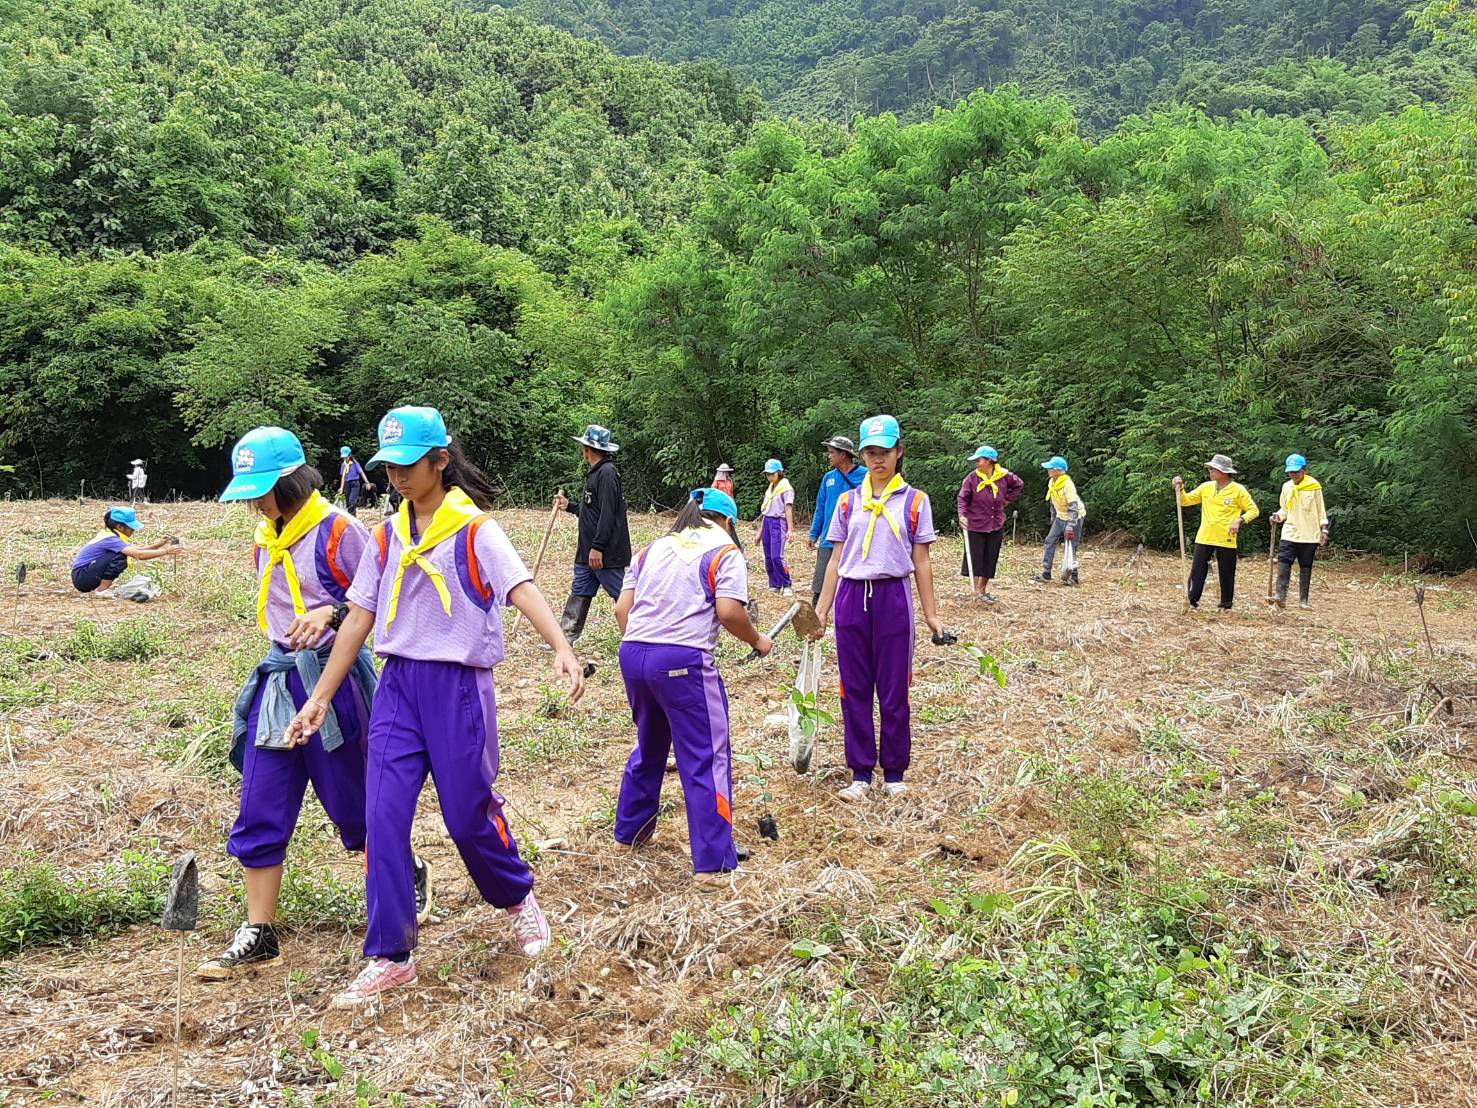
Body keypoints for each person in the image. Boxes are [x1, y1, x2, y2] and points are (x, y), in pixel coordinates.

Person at [285, 406, 586, 1007]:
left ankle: (517, 899)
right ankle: (390, 954)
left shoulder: (475, 531)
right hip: (398, 687)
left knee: (467, 814)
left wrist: (562, 647)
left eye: (408, 465)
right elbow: (359, 618)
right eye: (388, 466)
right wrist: (320, 698)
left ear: (440, 461)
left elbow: (520, 588)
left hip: (457, 688)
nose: (396, 476)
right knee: (382, 817)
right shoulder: (385, 535)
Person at [197, 427, 431, 979]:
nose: (255, 502)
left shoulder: (339, 531)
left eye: (263, 490)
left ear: (291, 482)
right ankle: (259, 931)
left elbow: (383, 597)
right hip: (280, 680)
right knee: (261, 798)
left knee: (355, 802)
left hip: (335, 678)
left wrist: (332, 611)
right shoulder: (265, 536)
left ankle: (405, 872)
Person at [612, 488, 772, 886]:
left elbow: (621, 609)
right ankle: (713, 863)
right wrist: (757, 640)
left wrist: (646, 650)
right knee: (706, 755)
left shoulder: (651, 549)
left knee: (650, 743)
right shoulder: (724, 552)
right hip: (683, 661)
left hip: (633, 653)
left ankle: (629, 833)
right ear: (728, 522)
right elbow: (729, 611)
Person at [812, 415, 945, 802]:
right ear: (862, 455)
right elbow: (836, 560)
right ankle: (860, 772)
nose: (878, 459)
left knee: (893, 687)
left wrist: (931, 614)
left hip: (893, 598)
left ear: (899, 452)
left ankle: (894, 772)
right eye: (870, 452)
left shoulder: (915, 501)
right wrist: (822, 610)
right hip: (852, 598)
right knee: (853, 687)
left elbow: (922, 561)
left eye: (885, 451)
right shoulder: (847, 502)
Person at [553, 424, 631, 644]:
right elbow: (591, 511)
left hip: (604, 553)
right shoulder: (595, 473)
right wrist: (569, 506)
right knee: (579, 591)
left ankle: (641, 634)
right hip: (587, 552)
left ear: (587, 449)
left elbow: (608, 514)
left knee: (623, 594)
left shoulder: (607, 474)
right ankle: (565, 638)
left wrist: (598, 547)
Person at [1173, 454, 1260, 611]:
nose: (1211, 471)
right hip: (1205, 535)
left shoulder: (1238, 490)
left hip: (1226, 537)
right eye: (1210, 469)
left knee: (1226, 571)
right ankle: (1191, 600)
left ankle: (1226, 604)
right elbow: (1185, 501)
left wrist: (1240, 520)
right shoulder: (1206, 487)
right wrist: (1180, 488)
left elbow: (1253, 510)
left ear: (1225, 472)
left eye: (1214, 469)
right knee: (1197, 570)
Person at [957, 445, 1024, 604]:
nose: (976, 463)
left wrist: (1007, 499)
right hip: (975, 523)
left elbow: (1019, 484)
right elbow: (962, 498)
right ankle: (975, 591)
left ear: (989, 461)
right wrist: (962, 515)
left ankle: (982, 589)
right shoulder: (972, 478)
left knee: (990, 558)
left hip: (995, 523)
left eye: (979, 460)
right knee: (975, 557)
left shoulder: (1005, 476)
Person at [70, 506, 181, 595]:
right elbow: (139, 555)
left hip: (83, 575)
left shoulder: (110, 535)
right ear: (119, 527)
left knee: (121, 554)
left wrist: (159, 545)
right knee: (119, 556)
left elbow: (136, 551)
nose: (133, 530)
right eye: (131, 528)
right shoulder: (111, 539)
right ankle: (102, 591)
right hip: (82, 577)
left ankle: (101, 589)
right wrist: (167, 551)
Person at [807, 435, 864, 604]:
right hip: (828, 539)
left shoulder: (866, 476)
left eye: (832, 452)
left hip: (854, 540)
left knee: (852, 585)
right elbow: (821, 507)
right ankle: (818, 614)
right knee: (820, 585)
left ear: (843, 454)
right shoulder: (828, 478)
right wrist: (814, 534)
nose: (829, 456)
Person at [1270, 453, 1329, 610]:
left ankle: (1303, 600)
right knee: (1284, 561)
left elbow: (1321, 510)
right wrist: (1278, 516)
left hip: (1309, 534)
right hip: (1290, 531)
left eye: (1296, 471)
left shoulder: (1314, 486)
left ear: (1304, 471)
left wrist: (1324, 529)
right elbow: (1284, 509)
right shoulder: (1286, 487)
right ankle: (1280, 595)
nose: (1293, 475)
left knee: (1305, 566)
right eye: (1290, 472)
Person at [1039, 456, 1085, 586]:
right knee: (1050, 540)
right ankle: (1046, 573)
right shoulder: (1052, 482)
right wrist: (1053, 518)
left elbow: (1073, 507)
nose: (1048, 470)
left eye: (1051, 468)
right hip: (1060, 517)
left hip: (1074, 518)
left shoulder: (1067, 485)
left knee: (1071, 546)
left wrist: (1070, 526)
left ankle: (1074, 577)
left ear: (1058, 470)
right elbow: (1053, 502)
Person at [756, 458, 795, 596]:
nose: (770, 476)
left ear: (779, 472)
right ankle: (774, 583)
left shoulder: (786, 489)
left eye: (772, 473)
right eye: (767, 474)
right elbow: (766, 512)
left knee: (776, 556)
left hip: (778, 522)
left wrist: (790, 529)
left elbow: (788, 509)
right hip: (767, 522)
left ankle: (786, 583)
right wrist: (760, 532)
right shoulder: (770, 489)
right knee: (768, 556)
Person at [338, 446, 366, 517]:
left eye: (346, 457)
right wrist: (341, 488)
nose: (345, 458)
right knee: (348, 502)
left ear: (350, 455)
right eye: (344, 457)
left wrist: (367, 482)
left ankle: (353, 517)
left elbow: (361, 472)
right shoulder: (343, 465)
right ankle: (351, 517)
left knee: (352, 501)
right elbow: (343, 477)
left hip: (355, 483)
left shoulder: (355, 464)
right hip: (347, 484)